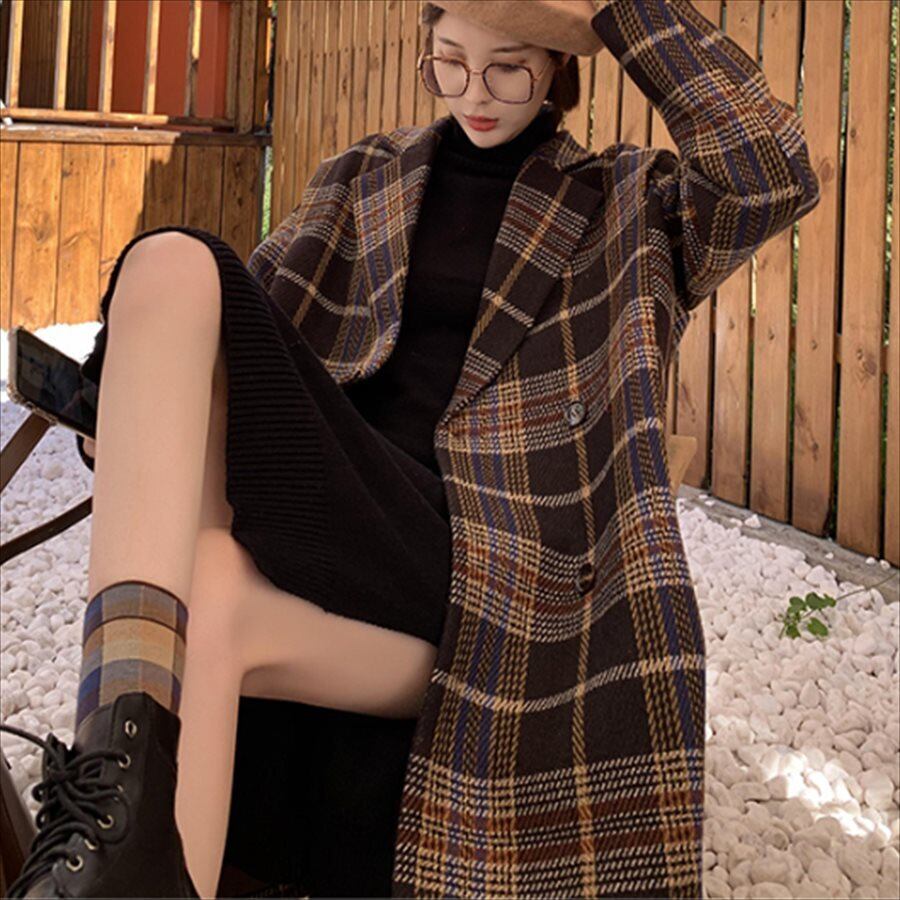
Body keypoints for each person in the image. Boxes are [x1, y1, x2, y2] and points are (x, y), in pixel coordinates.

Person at [0, 0, 820, 897]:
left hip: (487, 548)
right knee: (171, 268)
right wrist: (126, 401)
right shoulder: (365, 174)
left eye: (508, 65)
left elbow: (770, 171)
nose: (475, 91)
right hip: (347, 499)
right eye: (449, 61)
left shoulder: (633, 203)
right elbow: (246, 320)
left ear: (559, 66)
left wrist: (617, 8)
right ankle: (116, 823)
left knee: (216, 568)